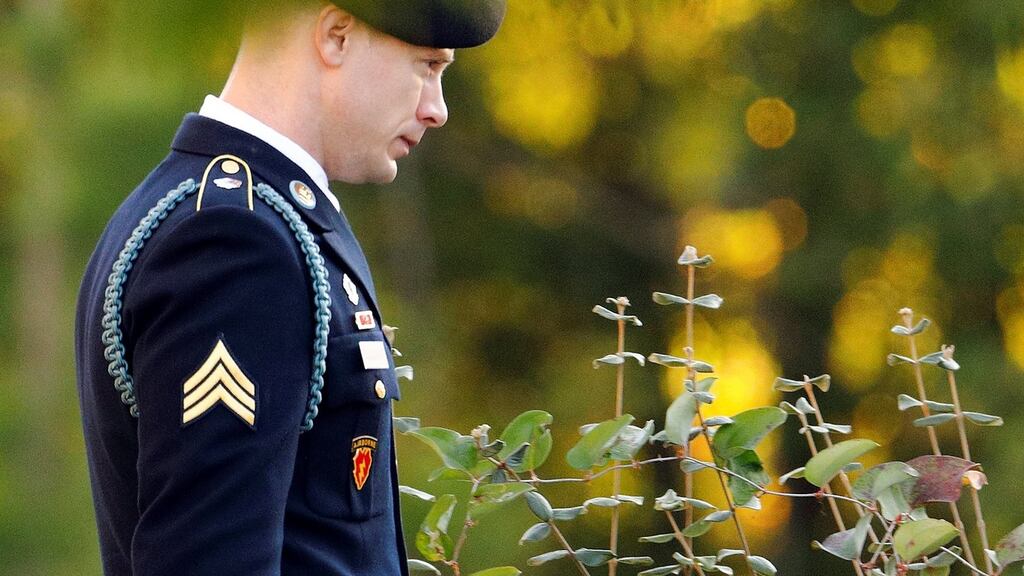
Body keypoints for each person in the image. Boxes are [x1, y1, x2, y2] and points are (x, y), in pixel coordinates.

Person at [73, 1, 505, 574]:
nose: (437, 110)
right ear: (336, 37)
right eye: (427, 67)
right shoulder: (234, 241)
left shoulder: (214, 210)